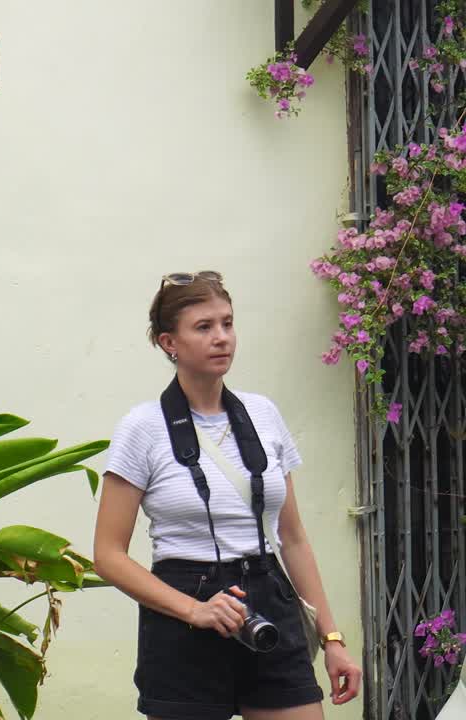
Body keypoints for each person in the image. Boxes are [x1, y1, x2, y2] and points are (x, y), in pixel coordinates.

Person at [93, 271, 362, 720]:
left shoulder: (263, 414)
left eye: (228, 323)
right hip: (183, 605)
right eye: (204, 327)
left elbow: (292, 538)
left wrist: (332, 640)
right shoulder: (142, 428)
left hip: (269, 599)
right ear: (168, 342)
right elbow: (107, 554)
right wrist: (195, 610)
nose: (222, 338)